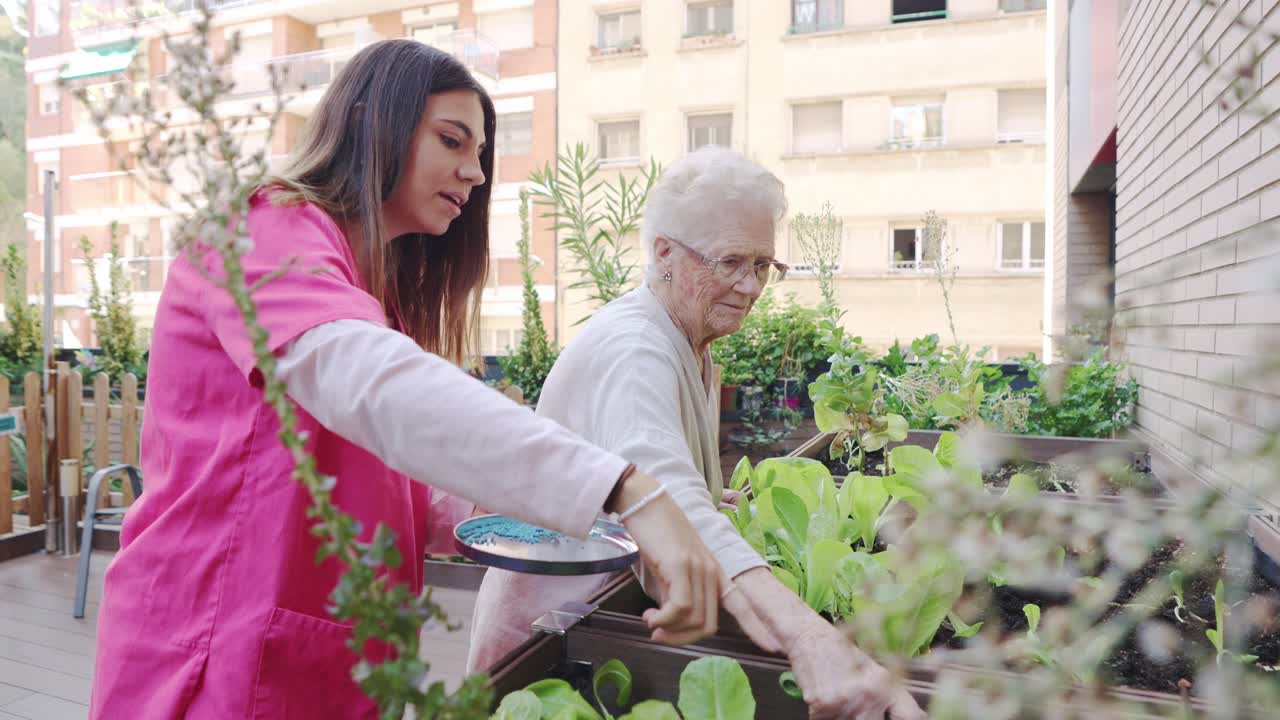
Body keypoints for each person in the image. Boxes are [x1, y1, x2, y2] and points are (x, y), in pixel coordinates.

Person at [89, 40, 723, 719]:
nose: (475, 173)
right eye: (452, 141)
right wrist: (625, 487)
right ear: (371, 125)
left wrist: (578, 521)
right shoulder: (261, 231)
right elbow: (376, 387)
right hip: (211, 650)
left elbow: (407, 492)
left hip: (326, 660)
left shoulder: (369, 299)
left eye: (480, 154)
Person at [469, 148, 926, 720]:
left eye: (763, 265)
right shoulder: (635, 349)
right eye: (731, 260)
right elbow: (668, 501)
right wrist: (811, 639)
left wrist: (710, 497)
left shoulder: (689, 338)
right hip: (551, 643)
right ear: (664, 251)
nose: (751, 285)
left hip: (609, 617)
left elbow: (651, 478)